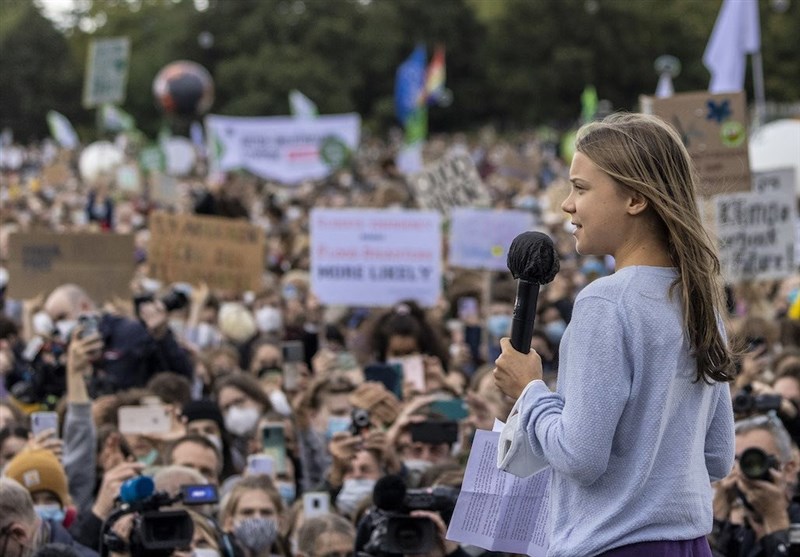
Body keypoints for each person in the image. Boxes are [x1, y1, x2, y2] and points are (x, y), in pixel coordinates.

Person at [493, 113, 736, 557]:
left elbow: (580, 457)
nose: (567, 204)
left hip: (612, 545)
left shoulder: (605, 302)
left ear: (635, 199)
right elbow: (718, 456)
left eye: (581, 188)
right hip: (690, 544)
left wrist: (529, 390)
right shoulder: (700, 299)